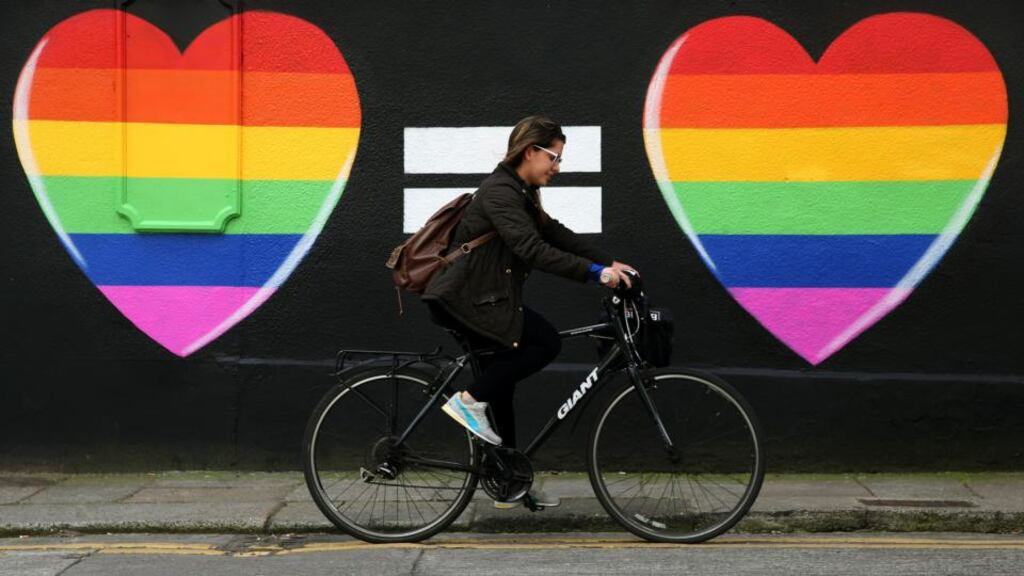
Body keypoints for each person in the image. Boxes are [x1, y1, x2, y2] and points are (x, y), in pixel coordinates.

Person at [420, 115, 638, 509]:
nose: (557, 168)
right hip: (467, 301)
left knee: (501, 383)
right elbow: (532, 249)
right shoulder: (500, 193)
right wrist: (596, 274)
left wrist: (610, 261)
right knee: (543, 343)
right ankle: (466, 402)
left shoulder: (518, 190)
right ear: (530, 152)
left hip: (487, 298)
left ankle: (508, 481)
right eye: (553, 158)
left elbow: (553, 233)